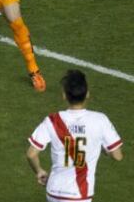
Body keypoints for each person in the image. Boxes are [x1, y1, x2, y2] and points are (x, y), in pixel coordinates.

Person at [26, 70, 123, 202]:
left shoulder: (52, 120)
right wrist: (101, 147)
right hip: (80, 195)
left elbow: (31, 154)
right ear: (87, 94)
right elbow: (117, 156)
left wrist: (39, 171)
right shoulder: (100, 120)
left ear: (64, 95)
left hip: (54, 191)